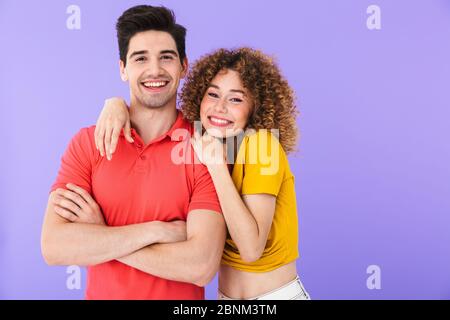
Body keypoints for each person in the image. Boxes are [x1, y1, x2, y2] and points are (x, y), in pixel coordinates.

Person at [63, 47, 311, 300]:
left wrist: (104, 241)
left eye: (236, 99)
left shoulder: (261, 146)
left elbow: (250, 249)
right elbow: (155, 116)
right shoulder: (212, 144)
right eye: (213, 94)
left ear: (255, 107)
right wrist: (114, 104)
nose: (220, 107)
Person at [40, 5, 226, 300]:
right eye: (141, 58)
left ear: (184, 66)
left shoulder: (205, 149)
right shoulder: (88, 143)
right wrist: (157, 230)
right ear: (123, 69)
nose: (154, 70)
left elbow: (201, 265)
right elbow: (54, 247)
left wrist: (101, 235)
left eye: (166, 57)